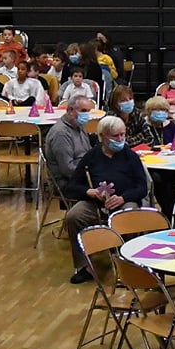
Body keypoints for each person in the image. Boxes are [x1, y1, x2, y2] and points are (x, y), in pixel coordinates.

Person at [63, 116, 152, 284]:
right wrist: (88, 191)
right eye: (115, 136)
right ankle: (86, 265)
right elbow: (72, 186)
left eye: (122, 135)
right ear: (103, 136)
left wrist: (123, 198)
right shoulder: (91, 156)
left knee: (128, 214)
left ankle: (127, 262)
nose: (120, 140)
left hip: (125, 200)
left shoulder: (130, 156)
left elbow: (142, 187)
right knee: (73, 216)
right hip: (96, 202)